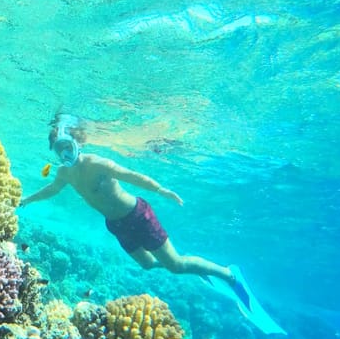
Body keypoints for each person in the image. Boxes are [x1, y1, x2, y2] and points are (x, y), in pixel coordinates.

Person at [19, 114, 251, 309]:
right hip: (116, 225)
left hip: (138, 216)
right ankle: (189, 265)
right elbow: (51, 189)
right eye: (58, 150)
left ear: (78, 142)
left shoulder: (98, 164)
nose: (64, 154)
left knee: (176, 266)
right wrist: (28, 200)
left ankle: (229, 275)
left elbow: (131, 176)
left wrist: (161, 190)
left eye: (67, 147)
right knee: (147, 264)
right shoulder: (64, 173)